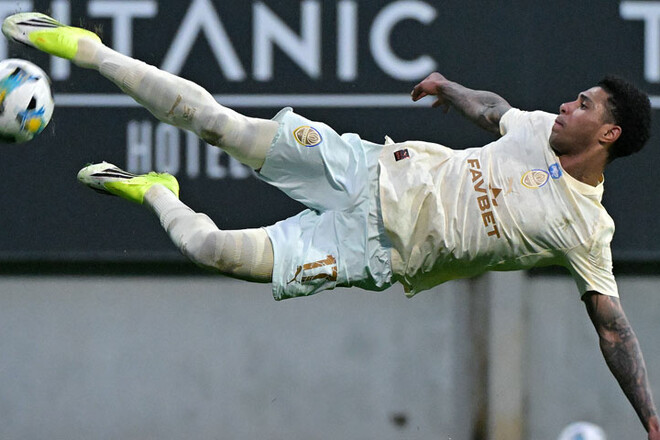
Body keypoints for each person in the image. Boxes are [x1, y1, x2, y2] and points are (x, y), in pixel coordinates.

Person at [3, 12, 658, 438]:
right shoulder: (541, 130)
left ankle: (155, 191)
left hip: (370, 251)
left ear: (608, 134)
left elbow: (614, 330)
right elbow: (495, 111)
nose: (567, 104)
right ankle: (88, 49)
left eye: (584, 105)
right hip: (367, 170)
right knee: (220, 125)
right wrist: (449, 87)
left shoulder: (586, 230)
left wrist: (651, 421)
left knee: (211, 249)